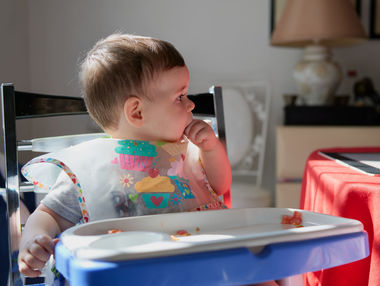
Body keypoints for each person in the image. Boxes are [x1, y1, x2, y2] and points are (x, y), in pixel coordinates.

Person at [18, 33, 232, 278]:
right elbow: (48, 214)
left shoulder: (188, 150)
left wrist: (211, 148)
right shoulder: (91, 168)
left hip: (201, 269)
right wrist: (33, 240)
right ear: (137, 112)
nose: (191, 104)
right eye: (180, 96)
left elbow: (219, 185)